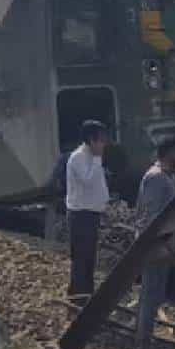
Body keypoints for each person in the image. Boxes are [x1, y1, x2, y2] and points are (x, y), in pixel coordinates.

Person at [135, 135, 175, 349]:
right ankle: (143, 348)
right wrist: (163, 243)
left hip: (163, 244)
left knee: (155, 297)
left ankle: (147, 344)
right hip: (155, 245)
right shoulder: (156, 178)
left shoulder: (167, 176)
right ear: (170, 152)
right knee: (149, 296)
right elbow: (154, 217)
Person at [64, 120, 111, 300]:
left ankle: (87, 296)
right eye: (101, 140)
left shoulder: (91, 157)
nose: (104, 144)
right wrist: (98, 158)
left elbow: (98, 184)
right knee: (81, 259)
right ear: (91, 140)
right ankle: (77, 297)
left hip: (91, 212)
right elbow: (88, 180)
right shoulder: (78, 157)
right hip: (80, 213)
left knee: (90, 258)